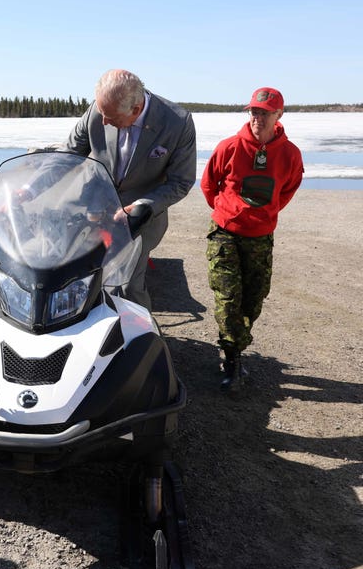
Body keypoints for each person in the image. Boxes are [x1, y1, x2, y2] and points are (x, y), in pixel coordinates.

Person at [64, 69, 197, 311]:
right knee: (82, 277)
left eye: (111, 117)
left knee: (126, 285)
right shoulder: (100, 109)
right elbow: (68, 156)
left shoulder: (177, 123)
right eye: (101, 113)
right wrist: (32, 189)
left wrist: (141, 206)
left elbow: (181, 182)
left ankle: (136, 338)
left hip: (140, 220)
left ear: (135, 110)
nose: (103, 121)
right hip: (97, 212)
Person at [201, 87, 304, 393]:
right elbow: (209, 184)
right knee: (228, 298)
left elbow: (287, 190)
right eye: (254, 112)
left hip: (260, 237)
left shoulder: (290, 154)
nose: (258, 118)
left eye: (264, 113)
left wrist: (265, 215)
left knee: (253, 301)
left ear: (279, 115)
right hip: (225, 235)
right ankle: (232, 359)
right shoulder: (230, 146)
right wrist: (229, 212)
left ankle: (236, 345)